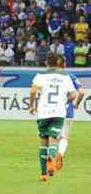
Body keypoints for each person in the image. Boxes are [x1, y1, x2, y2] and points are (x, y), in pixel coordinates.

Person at [29, 52, 77, 182]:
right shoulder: (65, 77)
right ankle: (52, 155)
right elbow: (73, 95)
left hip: (43, 113)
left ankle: (43, 174)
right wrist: (65, 101)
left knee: (43, 142)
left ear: (46, 63)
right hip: (59, 113)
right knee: (54, 140)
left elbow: (33, 91)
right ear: (57, 63)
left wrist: (31, 106)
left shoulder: (40, 75)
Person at [56, 55, 85, 170]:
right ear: (65, 64)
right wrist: (76, 104)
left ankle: (49, 157)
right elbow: (82, 92)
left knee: (52, 137)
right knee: (64, 137)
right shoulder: (71, 76)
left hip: (53, 111)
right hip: (67, 112)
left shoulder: (49, 77)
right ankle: (60, 154)